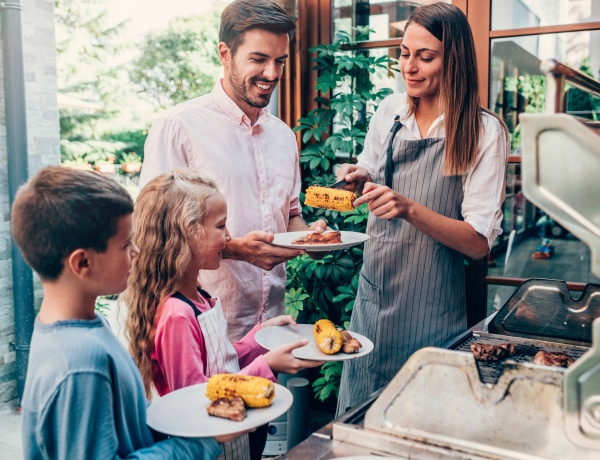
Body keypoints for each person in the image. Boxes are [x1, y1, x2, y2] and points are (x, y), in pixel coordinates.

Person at [335, 2, 510, 415]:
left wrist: (409, 208)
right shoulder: (388, 113)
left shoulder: (484, 131)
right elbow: (372, 170)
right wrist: (359, 176)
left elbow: (478, 243)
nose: (409, 67)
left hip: (433, 312)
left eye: (425, 57)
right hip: (374, 305)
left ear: (454, 60)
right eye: (404, 53)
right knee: (357, 431)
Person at [140, 0, 326, 343]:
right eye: (258, 59)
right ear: (225, 54)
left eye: (280, 61)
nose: (272, 74)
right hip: (200, 330)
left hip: (272, 330)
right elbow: (152, 237)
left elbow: (292, 215)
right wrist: (235, 248)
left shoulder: (284, 137)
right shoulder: (178, 127)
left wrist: (310, 237)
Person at [11, 167, 227, 459]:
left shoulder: (78, 326)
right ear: (83, 263)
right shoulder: (80, 362)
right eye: (126, 244)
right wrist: (203, 441)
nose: (137, 252)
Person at [125, 169, 324, 460]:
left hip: (230, 441)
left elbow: (221, 367)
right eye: (221, 226)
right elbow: (197, 401)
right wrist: (266, 366)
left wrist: (261, 337)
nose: (230, 237)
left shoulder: (199, 296)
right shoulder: (177, 314)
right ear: (187, 233)